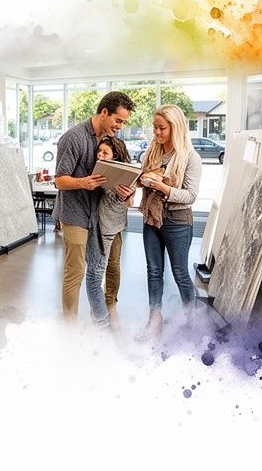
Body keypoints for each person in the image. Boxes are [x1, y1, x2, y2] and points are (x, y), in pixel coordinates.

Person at [53, 91, 136, 326]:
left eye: (123, 122)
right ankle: (69, 325)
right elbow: (59, 180)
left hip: (99, 217)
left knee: (101, 269)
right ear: (104, 112)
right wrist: (83, 182)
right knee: (75, 271)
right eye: (118, 120)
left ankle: (100, 320)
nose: (120, 127)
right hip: (75, 214)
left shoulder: (108, 142)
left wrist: (127, 191)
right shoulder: (74, 138)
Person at [135, 104, 202, 341]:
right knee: (154, 271)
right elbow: (141, 180)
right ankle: (155, 319)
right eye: (154, 127)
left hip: (178, 221)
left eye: (161, 128)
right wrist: (142, 181)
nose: (157, 133)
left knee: (180, 273)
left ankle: (191, 319)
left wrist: (164, 187)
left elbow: (190, 196)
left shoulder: (190, 158)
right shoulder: (151, 154)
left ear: (176, 127)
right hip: (152, 218)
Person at [88, 135, 133, 324]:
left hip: (116, 225)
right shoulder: (96, 169)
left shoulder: (125, 171)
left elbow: (130, 202)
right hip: (99, 225)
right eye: (99, 151)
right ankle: (98, 312)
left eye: (105, 152)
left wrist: (126, 195)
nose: (100, 154)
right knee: (96, 270)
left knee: (113, 265)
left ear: (116, 155)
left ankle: (110, 304)